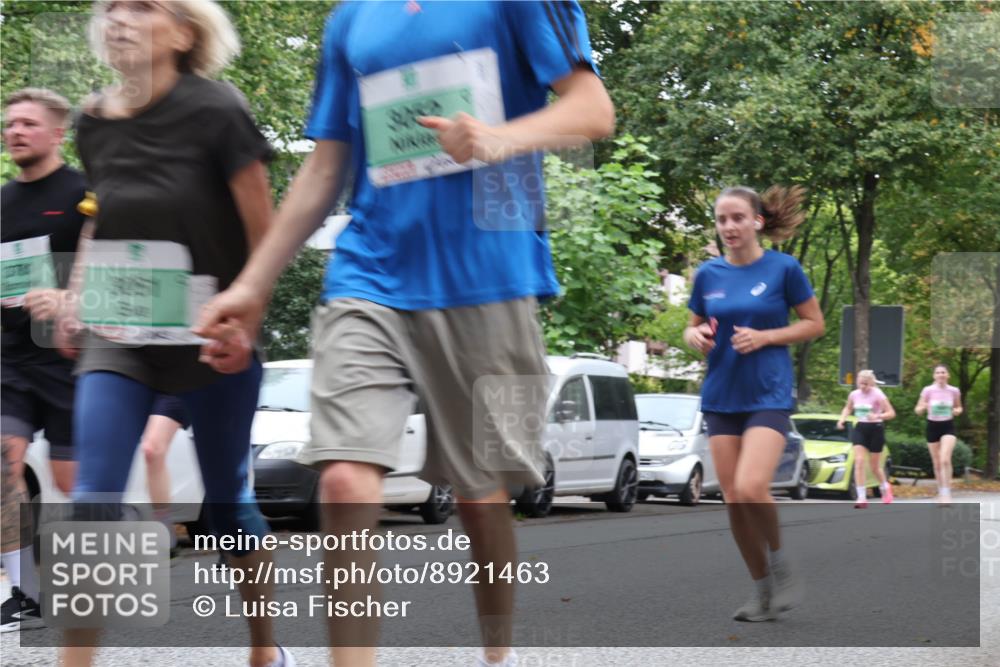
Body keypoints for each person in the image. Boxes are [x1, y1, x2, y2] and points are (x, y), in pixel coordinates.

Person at [194, 1, 615, 664]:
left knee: (482, 498)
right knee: (343, 482)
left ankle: (498, 649)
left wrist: (498, 137)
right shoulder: (351, 19)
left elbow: (592, 109)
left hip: (491, 276)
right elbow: (327, 165)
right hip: (369, 271)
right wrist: (253, 283)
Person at [52, 2, 292, 666]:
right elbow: (104, 213)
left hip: (211, 335)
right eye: (110, 7)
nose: (118, 17)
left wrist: (247, 317)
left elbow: (262, 229)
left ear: (183, 33)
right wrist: (77, 295)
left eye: (142, 6)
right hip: (121, 333)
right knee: (94, 499)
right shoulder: (93, 120)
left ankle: (264, 647)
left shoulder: (218, 110)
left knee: (224, 503)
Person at [683, 185, 825, 622]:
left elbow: (813, 323)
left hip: (768, 393)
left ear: (757, 221)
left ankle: (782, 567)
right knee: (733, 499)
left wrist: (766, 337)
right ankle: (762, 590)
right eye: (722, 219)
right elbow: (691, 328)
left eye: (737, 218)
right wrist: (693, 337)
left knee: (750, 488)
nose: (728, 227)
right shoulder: (708, 274)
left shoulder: (784, 268)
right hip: (722, 395)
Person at [1, 87, 87, 633]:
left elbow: (115, 269)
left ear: (58, 134)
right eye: (10, 125)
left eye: (29, 124)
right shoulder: (1, 202)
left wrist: (67, 300)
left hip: (68, 360)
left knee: (73, 479)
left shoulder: (83, 194)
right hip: (9, 359)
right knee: (2, 460)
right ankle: (24, 590)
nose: (16, 132)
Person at [837, 369, 896, 508]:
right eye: (861, 383)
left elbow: (891, 413)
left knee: (875, 467)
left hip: (876, 429)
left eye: (866, 384)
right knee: (859, 461)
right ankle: (861, 498)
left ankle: (885, 488)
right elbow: (848, 408)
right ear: (857, 382)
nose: (863, 387)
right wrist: (842, 419)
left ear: (871, 383)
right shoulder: (854, 394)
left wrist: (878, 416)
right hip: (861, 428)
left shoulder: (877, 394)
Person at [915, 363, 963, 503]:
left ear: (948, 375)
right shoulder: (928, 390)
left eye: (943, 372)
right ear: (934, 376)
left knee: (945, 459)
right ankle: (941, 491)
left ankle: (947, 493)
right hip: (932, 426)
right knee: (936, 463)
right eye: (938, 372)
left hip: (948, 426)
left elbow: (959, 407)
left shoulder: (954, 391)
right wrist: (922, 407)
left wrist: (957, 411)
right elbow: (917, 409)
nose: (941, 375)